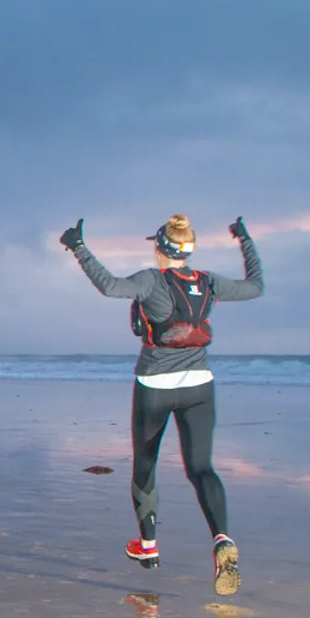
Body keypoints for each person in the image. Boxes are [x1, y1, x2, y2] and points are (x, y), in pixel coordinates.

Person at [61, 213, 263, 595]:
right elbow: (256, 287)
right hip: (200, 385)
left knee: (146, 464)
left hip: (155, 385)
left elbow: (109, 286)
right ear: (187, 251)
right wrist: (245, 241)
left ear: (159, 248)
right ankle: (222, 539)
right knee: (202, 468)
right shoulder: (207, 282)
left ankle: (148, 547)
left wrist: (78, 247)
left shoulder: (150, 280)